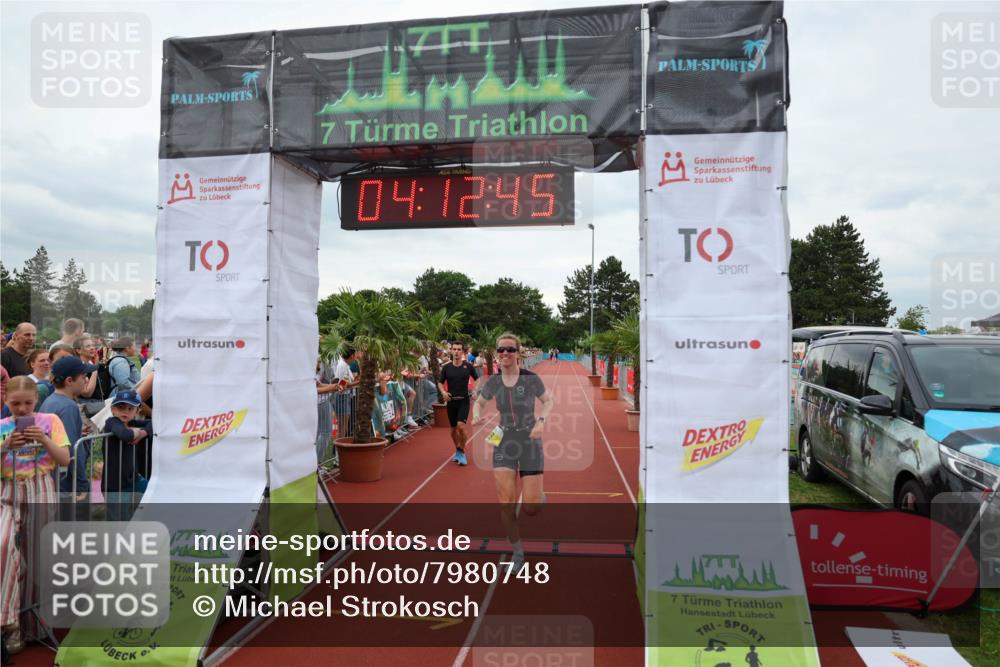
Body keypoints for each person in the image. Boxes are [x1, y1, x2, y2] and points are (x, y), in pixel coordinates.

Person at [471, 332, 555, 571]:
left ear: (518, 353)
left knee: (531, 508)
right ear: (496, 354)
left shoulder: (531, 379)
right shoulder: (494, 382)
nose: (505, 353)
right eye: (501, 350)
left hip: (529, 439)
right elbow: (479, 402)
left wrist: (540, 422)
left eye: (510, 349)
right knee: (506, 503)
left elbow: (549, 401)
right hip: (504, 439)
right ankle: (518, 552)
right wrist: (477, 414)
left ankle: (539, 497)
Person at [1, 376, 71, 654]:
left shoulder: (51, 420)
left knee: (36, 558)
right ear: (6, 401)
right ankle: (8, 622)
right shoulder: (2, 426)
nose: (22, 409)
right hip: (6, 491)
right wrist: (6, 446)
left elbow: (64, 459)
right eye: (16, 403)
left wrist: (42, 438)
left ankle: (32, 626)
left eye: (28, 403)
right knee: (4, 544)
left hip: (40, 488)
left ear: (36, 401)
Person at [39, 356, 97, 501]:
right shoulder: (68, 407)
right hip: (66, 482)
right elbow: (72, 450)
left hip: (53, 477)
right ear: (69, 381)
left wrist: (77, 430)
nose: (86, 380)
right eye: (83, 376)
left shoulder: (51, 400)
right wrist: (82, 484)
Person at [101, 390, 151, 521]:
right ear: (113, 409)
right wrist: (135, 433)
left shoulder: (133, 424)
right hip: (115, 486)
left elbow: (155, 423)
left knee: (155, 495)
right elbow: (124, 435)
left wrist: (144, 432)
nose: (125, 411)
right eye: (121, 407)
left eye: (130, 408)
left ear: (137, 411)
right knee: (119, 523)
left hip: (134, 480)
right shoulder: (112, 422)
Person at [438, 341, 479, 466]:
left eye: (459, 349)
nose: (456, 352)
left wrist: (475, 390)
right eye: (454, 349)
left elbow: (477, 379)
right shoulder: (446, 367)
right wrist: (443, 392)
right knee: (453, 430)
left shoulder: (468, 366)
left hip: (464, 401)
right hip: (451, 402)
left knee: (461, 426)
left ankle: (461, 450)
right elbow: (440, 382)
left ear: (462, 352)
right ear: (451, 351)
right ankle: (458, 450)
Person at [333, 348, 360, 439]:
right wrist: (358, 382)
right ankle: (337, 451)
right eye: (355, 355)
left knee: (343, 428)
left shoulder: (345, 365)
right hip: (342, 398)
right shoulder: (343, 365)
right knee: (342, 428)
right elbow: (342, 385)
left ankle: (337, 450)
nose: (356, 357)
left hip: (345, 397)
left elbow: (346, 383)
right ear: (352, 356)